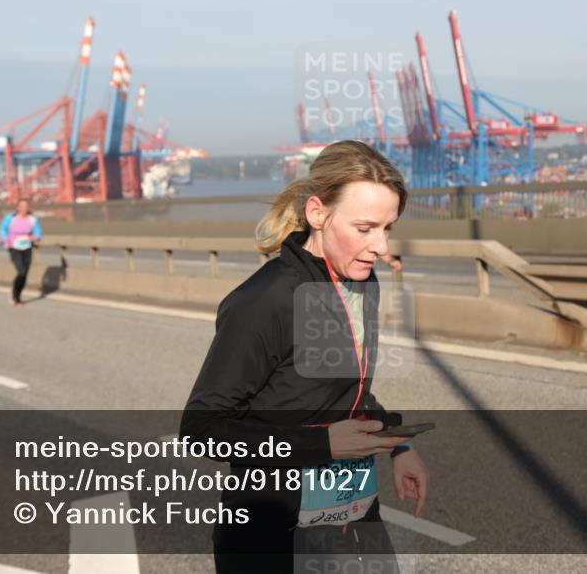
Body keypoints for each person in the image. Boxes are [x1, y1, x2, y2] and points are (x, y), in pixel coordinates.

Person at [181, 141, 429, 573]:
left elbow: (343, 391)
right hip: (271, 534)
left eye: (388, 228)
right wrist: (323, 445)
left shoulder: (361, 281)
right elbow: (201, 428)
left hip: (351, 518)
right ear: (317, 213)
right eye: (365, 227)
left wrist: (398, 442)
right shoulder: (265, 301)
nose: (380, 245)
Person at [0, 198, 41, 306]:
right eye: (22, 206)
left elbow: (37, 231)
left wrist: (35, 237)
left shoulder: (33, 219)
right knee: (21, 271)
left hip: (27, 247)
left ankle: (18, 296)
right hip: (14, 247)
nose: (24, 208)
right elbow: (2, 229)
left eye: (26, 206)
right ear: (18, 207)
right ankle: (14, 295)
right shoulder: (10, 218)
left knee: (25, 274)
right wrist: (5, 241)